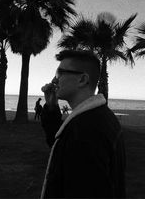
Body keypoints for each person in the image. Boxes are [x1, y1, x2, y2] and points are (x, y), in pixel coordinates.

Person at [40, 50, 126, 199]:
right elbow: (60, 145)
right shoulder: (98, 116)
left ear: (82, 80)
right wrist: (52, 108)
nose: (54, 80)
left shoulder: (86, 131)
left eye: (60, 73)